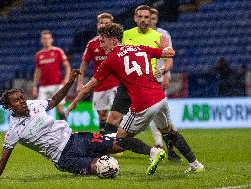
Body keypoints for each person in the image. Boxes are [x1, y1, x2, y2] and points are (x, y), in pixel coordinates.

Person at [66, 23, 204, 174]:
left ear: (113, 41)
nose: (101, 44)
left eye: (103, 40)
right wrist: (164, 47)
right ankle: (196, 165)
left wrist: (73, 103)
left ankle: (154, 152)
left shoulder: (111, 59)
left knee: (121, 139)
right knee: (169, 131)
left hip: (143, 103)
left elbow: (89, 86)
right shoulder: (140, 48)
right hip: (160, 98)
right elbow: (170, 53)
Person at [0, 70, 166, 179]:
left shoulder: (34, 104)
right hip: (64, 158)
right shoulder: (14, 131)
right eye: (16, 101)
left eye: (21, 97)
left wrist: (70, 81)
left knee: (119, 142)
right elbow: (4, 156)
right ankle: (105, 167)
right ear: (9, 107)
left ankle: (153, 152)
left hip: (77, 139)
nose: (22, 101)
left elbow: (54, 101)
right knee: (104, 167)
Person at [104, 5, 181, 161]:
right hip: (128, 84)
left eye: (148, 17)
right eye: (141, 17)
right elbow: (116, 54)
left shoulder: (160, 36)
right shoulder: (126, 35)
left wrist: (165, 72)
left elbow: (168, 59)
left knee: (163, 123)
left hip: (151, 83)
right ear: (135, 18)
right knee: (113, 117)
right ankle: (104, 150)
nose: (145, 20)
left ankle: (171, 151)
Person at [77, 13, 119, 134]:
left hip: (116, 83)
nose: (104, 25)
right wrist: (80, 83)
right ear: (97, 25)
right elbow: (84, 63)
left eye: (107, 23)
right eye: (102, 23)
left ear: (112, 25)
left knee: (116, 113)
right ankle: (104, 139)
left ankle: (119, 140)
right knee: (101, 114)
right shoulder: (92, 43)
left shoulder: (117, 41)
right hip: (99, 84)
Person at [149, 7, 181, 161]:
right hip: (144, 79)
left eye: (154, 18)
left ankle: (166, 146)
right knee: (154, 114)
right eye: (150, 18)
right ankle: (162, 145)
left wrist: (166, 74)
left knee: (161, 113)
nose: (151, 21)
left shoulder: (163, 34)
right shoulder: (138, 35)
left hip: (160, 77)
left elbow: (169, 56)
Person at [32, 30, 71, 120]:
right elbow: (38, 71)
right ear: (41, 40)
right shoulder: (39, 55)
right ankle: (42, 131)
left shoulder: (58, 51)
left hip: (57, 85)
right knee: (39, 110)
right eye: (44, 38)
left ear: (52, 39)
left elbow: (67, 67)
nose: (46, 40)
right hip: (43, 86)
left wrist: (67, 78)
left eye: (48, 38)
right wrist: (35, 86)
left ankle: (65, 129)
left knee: (60, 108)